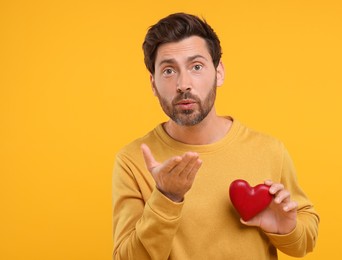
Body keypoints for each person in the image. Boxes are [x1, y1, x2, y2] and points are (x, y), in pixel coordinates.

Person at [112, 12, 319, 260]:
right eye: (168, 71)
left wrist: (287, 229)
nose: (183, 84)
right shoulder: (133, 160)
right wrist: (167, 197)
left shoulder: (269, 149)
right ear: (153, 84)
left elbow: (304, 241)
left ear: (218, 72)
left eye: (196, 66)